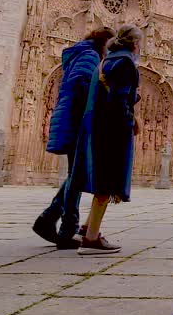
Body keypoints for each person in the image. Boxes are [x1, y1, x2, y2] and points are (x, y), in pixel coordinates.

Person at [32, 27, 113, 250]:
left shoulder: (80, 53)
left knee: (75, 174)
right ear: (104, 43)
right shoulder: (90, 55)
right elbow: (81, 84)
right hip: (77, 119)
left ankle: (48, 219)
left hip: (71, 116)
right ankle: (67, 229)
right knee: (76, 175)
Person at [75, 23, 143, 255]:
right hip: (112, 128)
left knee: (102, 178)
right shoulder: (126, 63)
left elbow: (109, 91)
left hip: (96, 124)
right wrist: (131, 122)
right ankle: (92, 240)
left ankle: (86, 228)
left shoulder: (107, 60)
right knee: (107, 180)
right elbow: (119, 99)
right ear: (135, 43)